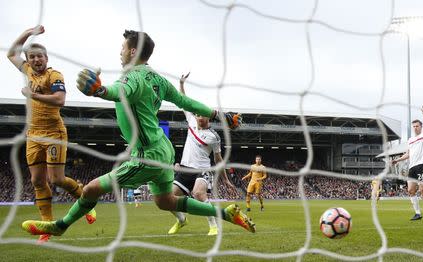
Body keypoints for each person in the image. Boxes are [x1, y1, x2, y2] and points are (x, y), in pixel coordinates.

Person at [21, 29, 255, 237]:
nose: (120, 52)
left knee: (91, 189)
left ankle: (59, 226)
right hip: (163, 148)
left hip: (147, 154)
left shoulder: (132, 77)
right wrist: (219, 115)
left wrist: (100, 90)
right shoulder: (157, 79)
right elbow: (185, 101)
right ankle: (225, 214)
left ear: (132, 51)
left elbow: (119, 91)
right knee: (166, 201)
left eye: (122, 48)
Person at [7, 25, 96, 243]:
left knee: (55, 179)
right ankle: (47, 225)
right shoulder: (27, 70)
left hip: (54, 133)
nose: (36, 60)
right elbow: (11, 53)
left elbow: (60, 100)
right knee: (37, 181)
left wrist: (33, 95)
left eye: (39, 56)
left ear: (46, 58)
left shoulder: (54, 75)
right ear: (29, 60)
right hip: (33, 134)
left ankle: (85, 202)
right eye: (32, 57)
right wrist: (29, 32)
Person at [167, 73, 237, 236]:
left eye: (201, 114)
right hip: (185, 169)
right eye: (197, 114)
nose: (198, 116)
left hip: (203, 171)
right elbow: (182, 100)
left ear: (208, 116)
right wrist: (182, 84)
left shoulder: (214, 136)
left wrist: (226, 180)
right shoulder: (191, 122)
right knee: (167, 199)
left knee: (199, 194)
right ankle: (181, 220)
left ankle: (214, 226)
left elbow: (218, 160)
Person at [392, 106, 423, 221]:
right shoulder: (410, 140)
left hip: (421, 165)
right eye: (413, 126)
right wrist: (398, 160)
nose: (415, 128)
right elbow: (408, 154)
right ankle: (418, 213)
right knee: (410, 191)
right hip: (412, 167)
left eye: (417, 126)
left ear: (421, 127)